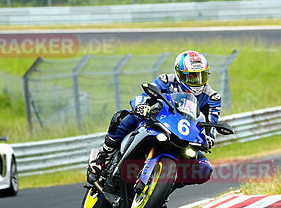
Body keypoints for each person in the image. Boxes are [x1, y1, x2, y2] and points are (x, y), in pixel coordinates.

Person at [88, 50, 221, 185]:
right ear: (179, 73)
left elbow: (211, 123)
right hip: (159, 122)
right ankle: (103, 157)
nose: (196, 81)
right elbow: (144, 96)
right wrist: (142, 106)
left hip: (185, 136)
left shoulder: (212, 97)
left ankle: (166, 185)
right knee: (123, 117)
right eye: (191, 77)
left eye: (201, 76)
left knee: (204, 169)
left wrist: (209, 138)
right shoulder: (166, 81)